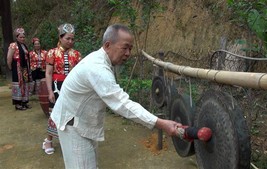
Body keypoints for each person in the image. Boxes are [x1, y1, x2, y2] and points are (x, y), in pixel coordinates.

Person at [51, 24, 183, 169]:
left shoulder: (101, 60)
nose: (128, 53)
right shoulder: (98, 69)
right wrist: (162, 123)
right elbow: (122, 104)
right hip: (72, 124)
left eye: (130, 49)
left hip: (80, 120)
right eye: (125, 47)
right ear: (108, 45)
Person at [42, 23, 81, 155]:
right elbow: (48, 73)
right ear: (60, 37)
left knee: (71, 114)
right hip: (56, 87)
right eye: (67, 38)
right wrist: (49, 91)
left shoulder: (76, 54)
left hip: (72, 88)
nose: (70, 41)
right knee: (55, 114)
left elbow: (80, 73)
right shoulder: (52, 53)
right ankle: (48, 140)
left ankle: (69, 140)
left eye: (72, 39)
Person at [7, 27, 32, 110]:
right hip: (17, 67)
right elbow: (9, 57)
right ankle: (18, 103)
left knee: (25, 84)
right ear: (17, 37)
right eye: (20, 37)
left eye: (23, 37)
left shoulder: (24, 46)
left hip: (25, 68)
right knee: (18, 85)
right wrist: (11, 67)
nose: (22, 38)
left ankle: (24, 102)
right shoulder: (13, 45)